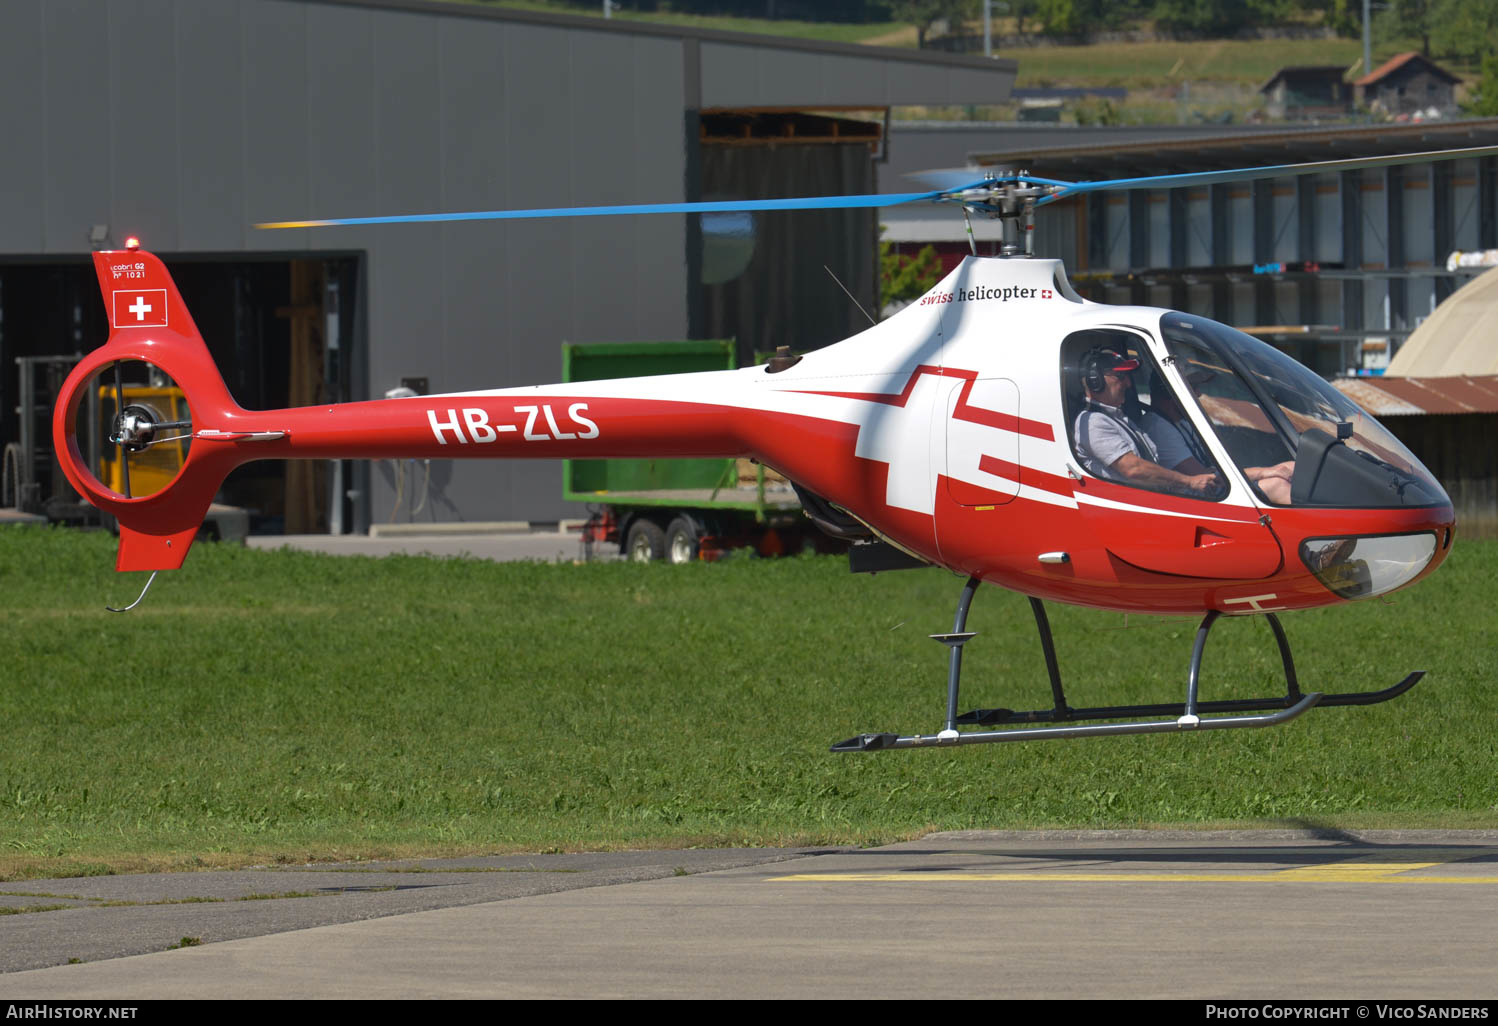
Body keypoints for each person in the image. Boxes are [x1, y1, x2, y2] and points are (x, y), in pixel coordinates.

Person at [1073, 348, 1222, 497]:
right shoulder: (1093, 422)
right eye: (1120, 376)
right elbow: (1133, 468)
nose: (1128, 383)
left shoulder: (1119, 419)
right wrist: (1189, 481)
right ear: (1095, 381)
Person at [1144, 370, 1295, 505]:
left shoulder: (1180, 422)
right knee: (1276, 485)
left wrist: (1270, 470)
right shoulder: (1158, 427)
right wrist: (1263, 472)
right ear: (1170, 392)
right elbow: (1203, 477)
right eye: (1193, 387)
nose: (1198, 394)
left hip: (1216, 487)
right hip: (1201, 499)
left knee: (1292, 467)